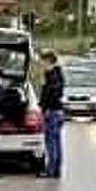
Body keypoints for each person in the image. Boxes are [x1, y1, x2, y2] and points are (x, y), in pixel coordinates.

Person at [38, 50, 65, 179]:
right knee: (57, 142)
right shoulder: (59, 73)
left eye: (42, 61)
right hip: (58, 111)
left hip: (52, 111)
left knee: (51, 143)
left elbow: (52, 94)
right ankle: (57, 170)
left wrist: (45, 107)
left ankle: (50, 171)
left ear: (48, 60)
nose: (41, 63)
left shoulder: (51, 74)